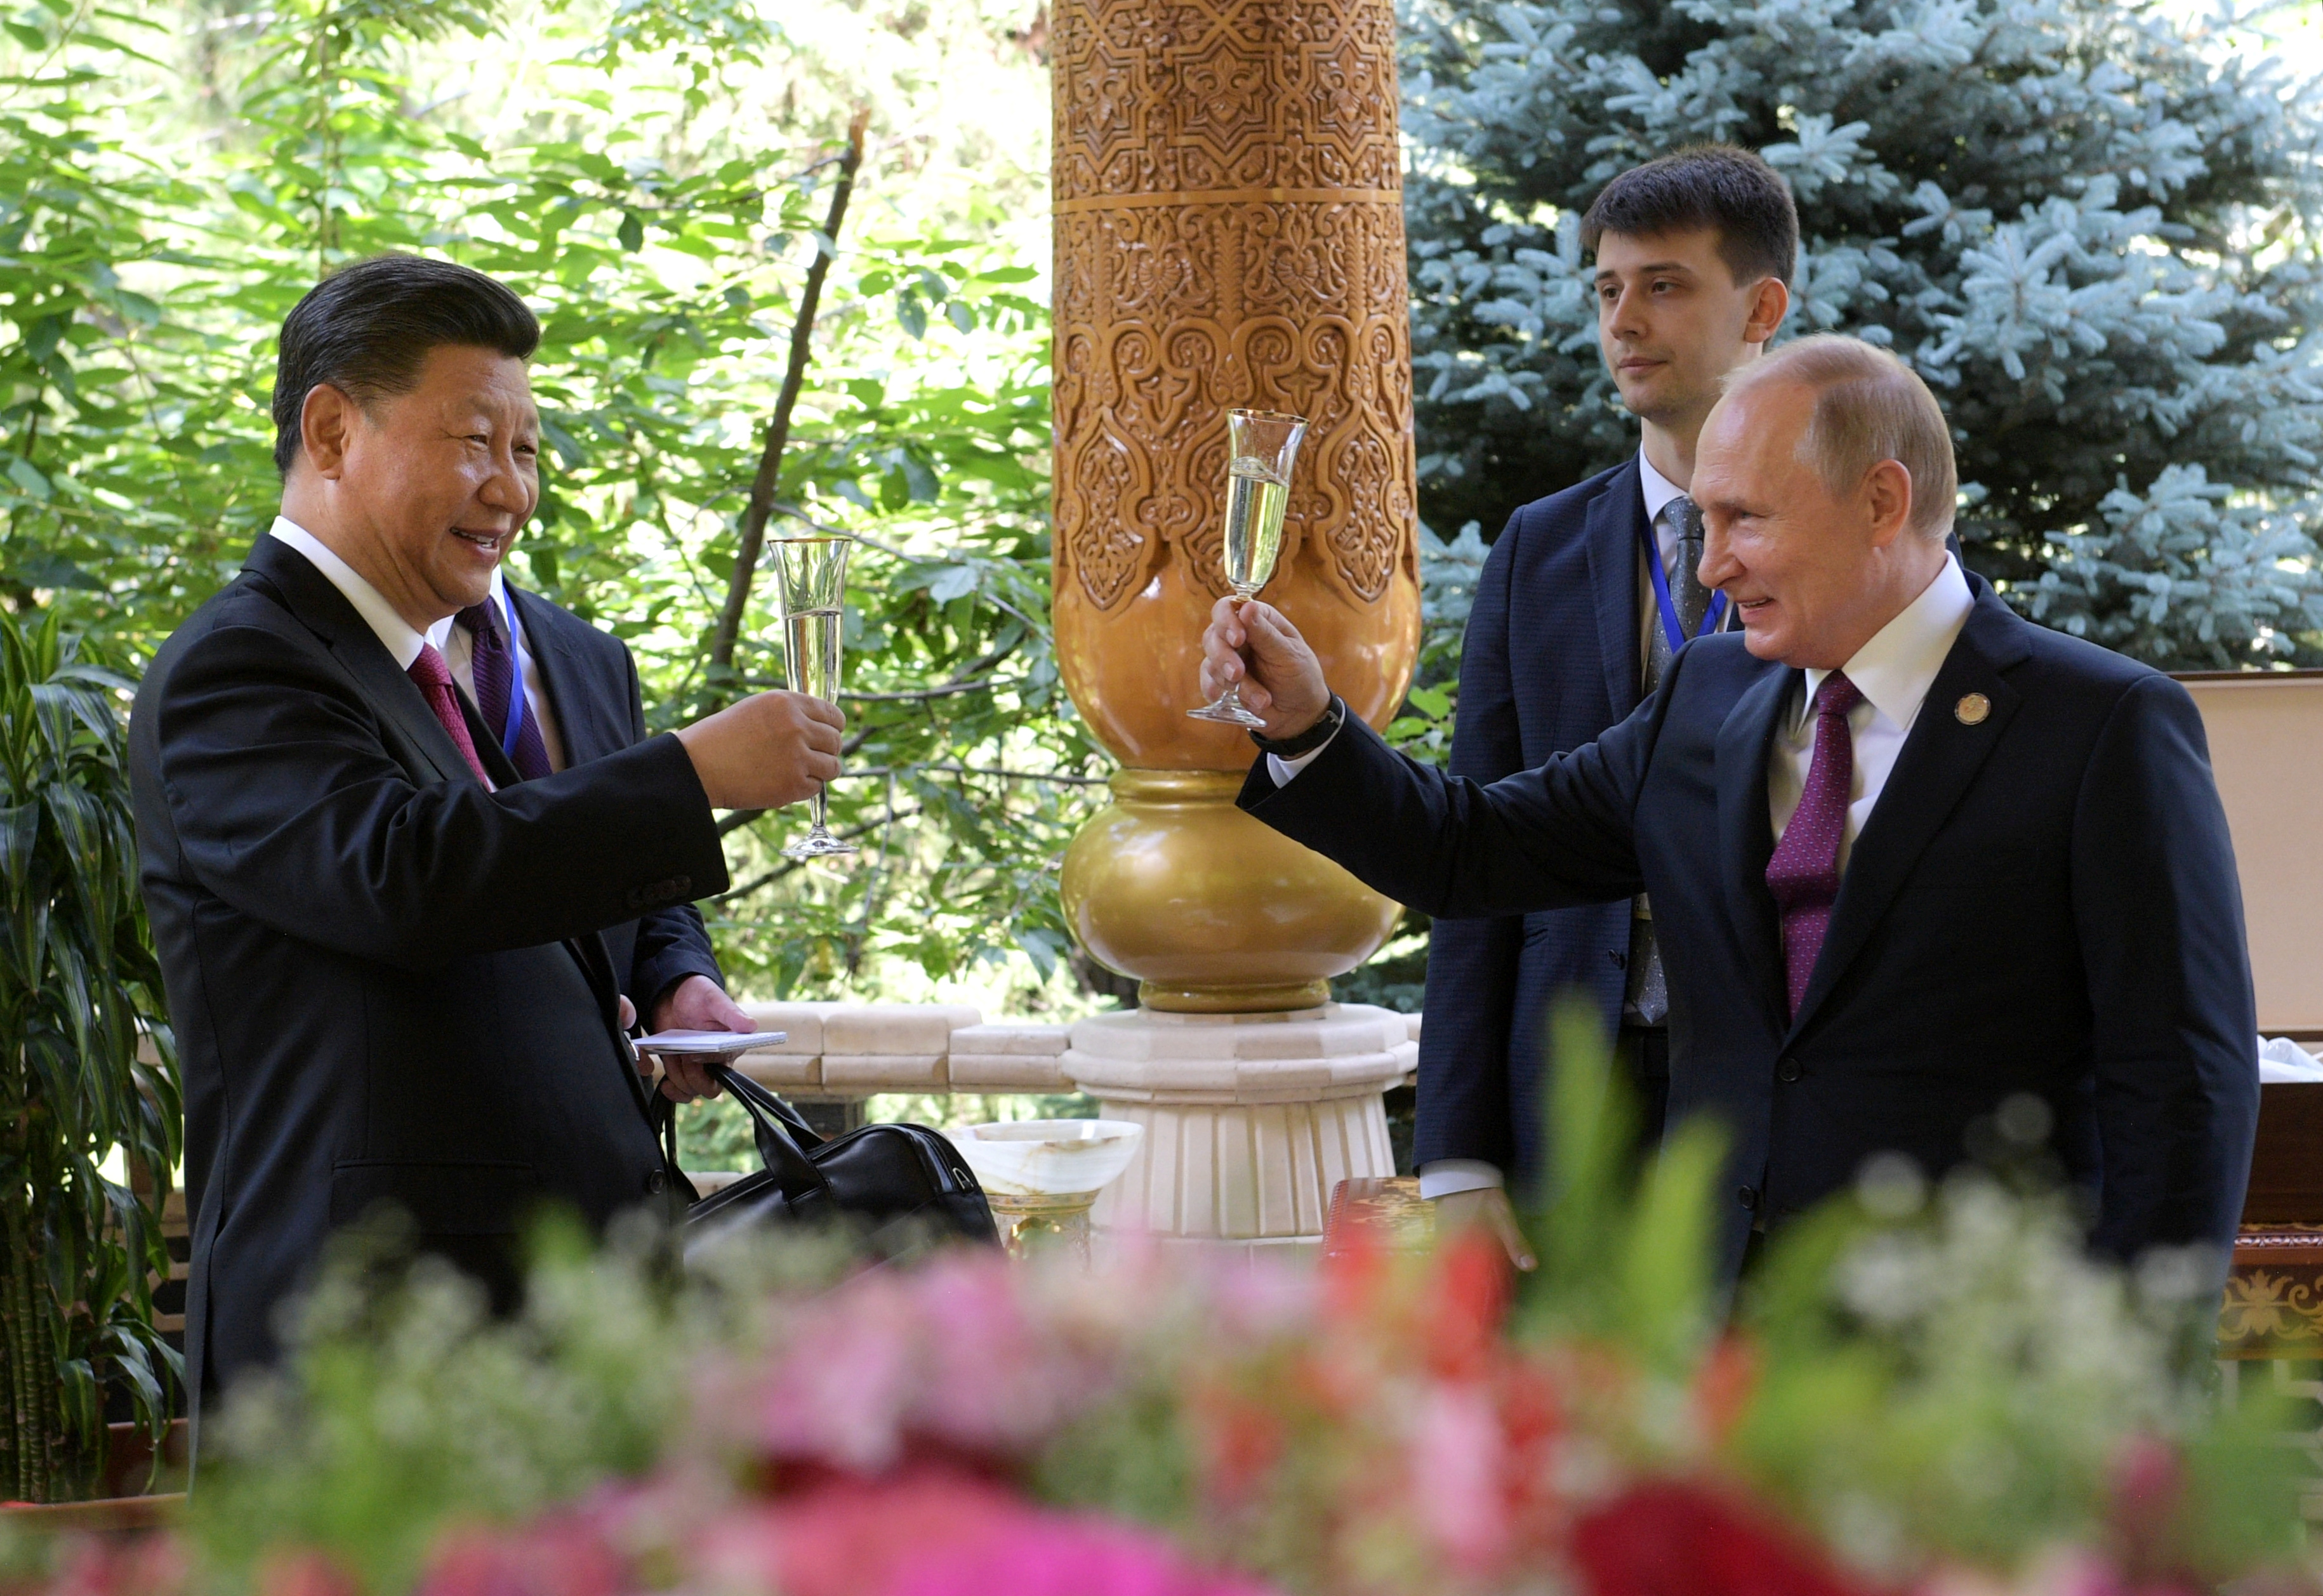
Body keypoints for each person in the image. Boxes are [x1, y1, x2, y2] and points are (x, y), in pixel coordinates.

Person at [1203, 334, 2258, 1285]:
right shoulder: (1706, 697)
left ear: (1881, 502)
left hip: (1974, 1357)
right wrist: (1309, 726)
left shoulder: (2101, 725)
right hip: (1721, 1343)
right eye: (1704, 519)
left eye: (1744, 518)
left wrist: (2137, 1374)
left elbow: (2183, 1087)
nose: (1711, 564)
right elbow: (1470, 849)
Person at [131, 254, 840, 1412]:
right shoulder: (239, 665)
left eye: (528, 450)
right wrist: (692, 773)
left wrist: (673, 978)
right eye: (474, 442)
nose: (513, 489)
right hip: (366, 1335)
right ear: (332, 432)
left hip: (575, 1314)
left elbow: (562, 879)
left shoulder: (460, 661)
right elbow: (412, 873)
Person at [1417, 146, 1794, 1260]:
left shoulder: (1854, 549)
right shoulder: (1537, 549)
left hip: (1780, 1078)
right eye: (1608, 289)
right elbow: (1476, 844)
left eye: (1664, 286)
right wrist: (1456, 1149)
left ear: (1762, 308)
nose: (1624, 320)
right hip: (1571, 1085)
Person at [430, 563, 755, 1044]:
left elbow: (635, 865)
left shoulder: (599, 655)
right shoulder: (354, 651)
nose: (505, 514)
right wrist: (691, 772)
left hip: (605, 1079)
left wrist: (676, 980)